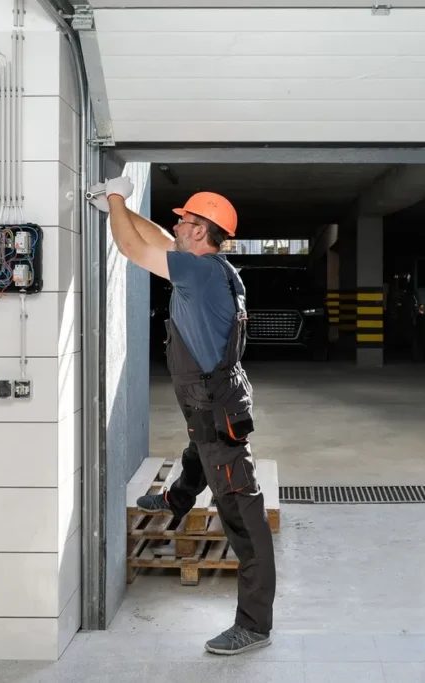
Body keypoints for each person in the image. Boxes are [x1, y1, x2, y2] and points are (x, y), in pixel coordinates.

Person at [89, 178, 276, 657]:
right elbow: (155, 237)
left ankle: (253, 625)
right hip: (213, 402)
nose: (176, 225)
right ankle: (176, 498)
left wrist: (114, 201)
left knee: (243, 518)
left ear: (201, 231)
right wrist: (121, 207)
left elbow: (132, 247)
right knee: (199, 452)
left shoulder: (198, 274)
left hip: (216, 409)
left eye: (184, 221)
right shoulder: (210, 267)